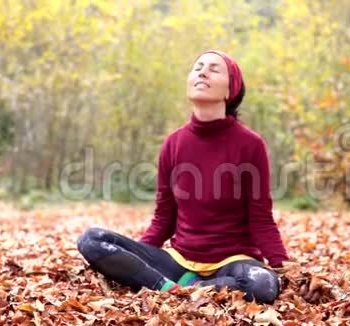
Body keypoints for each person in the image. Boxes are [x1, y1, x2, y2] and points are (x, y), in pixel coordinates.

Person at [77, 50, 302, 304]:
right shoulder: (173, 143)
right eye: (198, 67)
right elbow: (164, 218)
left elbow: (261, 219)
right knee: (92, 240)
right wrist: (141, 256)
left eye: (214, 69)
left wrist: (283, 265)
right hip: (179, 260)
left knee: (261, 284)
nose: (203, 72)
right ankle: (171, 287)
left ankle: (178, 288)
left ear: (231, 91)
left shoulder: (250, 145)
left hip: (232, 263)